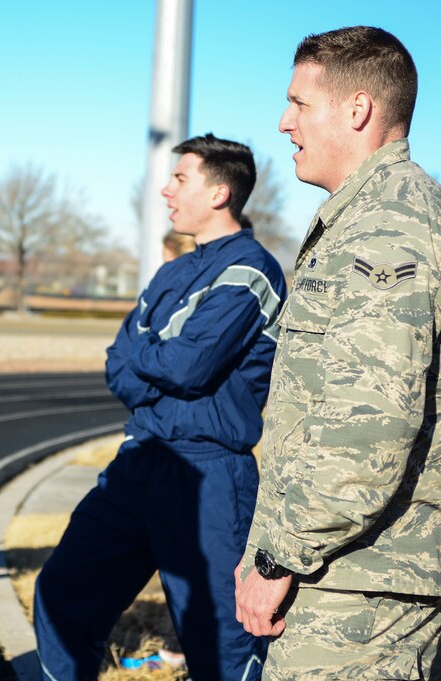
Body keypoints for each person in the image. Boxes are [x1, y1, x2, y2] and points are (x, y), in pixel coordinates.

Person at [234, 26, 441, 680]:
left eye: (299, 103)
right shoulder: (365, 216)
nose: (283, 121)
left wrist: (277, 558)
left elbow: (366, 430)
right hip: (343, 563)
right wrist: (267, 545)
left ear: (358, 110)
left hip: (366, 571)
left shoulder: (391, 226)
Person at [34, 134, 286, 681]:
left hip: (207, 475)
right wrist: (158, 363)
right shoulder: (171, 272)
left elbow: (187, 368)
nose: (165, 190)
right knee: (61, 591)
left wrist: (152, 361)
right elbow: (117, 365)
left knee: (220, 640)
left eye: (180, 179)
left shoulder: (252, 270)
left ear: (219, 192)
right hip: (140, 456)